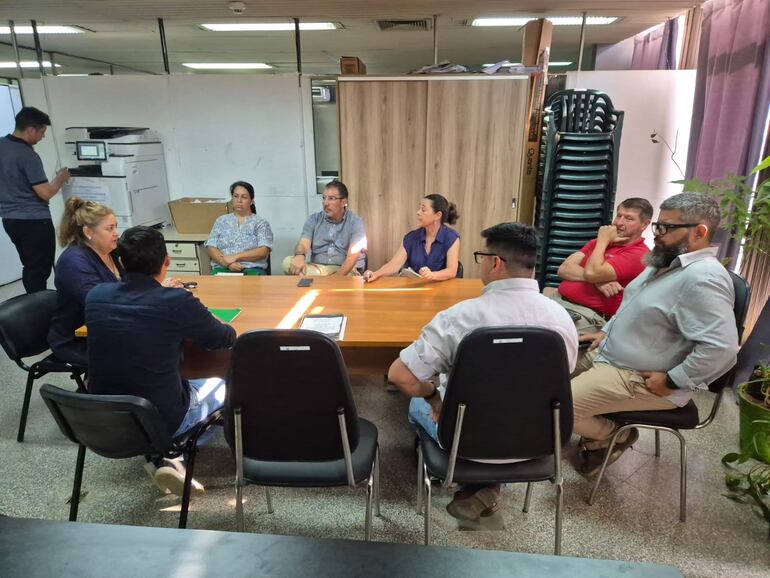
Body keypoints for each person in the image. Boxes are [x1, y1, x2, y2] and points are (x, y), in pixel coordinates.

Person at [387, 222, 578, 521]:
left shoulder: (460, 317)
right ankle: (487, 484)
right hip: (538, 440)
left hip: (465, 440)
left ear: (495, 262)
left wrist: (434, 395)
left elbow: (400, 376)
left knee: (416, 404)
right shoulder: (561, 318)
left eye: (482, 257)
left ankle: (473, 480)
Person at [571, 192, 739, 477]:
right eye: (658, 225)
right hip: (611, 355)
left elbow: (723, 348)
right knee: (546, 375)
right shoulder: (665, 262)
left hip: (640, 378)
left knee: (553, 407)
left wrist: (674, 380)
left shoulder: (704, 278)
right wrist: (607, 331)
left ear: (699, 232)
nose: (657, 233)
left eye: (667, 227)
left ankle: (615, 435)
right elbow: (632, 300)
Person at [85, 226, 236, 495]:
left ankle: (164, 458)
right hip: (160, 418)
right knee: (227, 384)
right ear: (166, 261)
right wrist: (206, 315)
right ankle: (173, 453)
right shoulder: (176, 302)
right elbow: (224, 338)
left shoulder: (96, 296)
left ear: (121, 262)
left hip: (102, 417)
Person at [548, 198, 652, 333]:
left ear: (644, 224)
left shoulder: (639, 254)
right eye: (619, 216)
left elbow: (592, 273)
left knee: (542, 333)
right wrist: (598, 281)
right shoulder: (598, 243)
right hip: (558, 300)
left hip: (589, 315)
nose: (619, 223)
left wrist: (603, 240)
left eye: (628, 219)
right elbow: (564, 269)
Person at [0, 107, 71, 293]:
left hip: (9, 219)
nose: (43, 137)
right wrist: (61, 178)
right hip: (34, 221)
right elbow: (45, 193)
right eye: (42, 132)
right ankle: (37, 304)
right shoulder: (27, 155)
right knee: (40, 269)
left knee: (30, 265)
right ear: (31, 130)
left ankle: (31, 301)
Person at [47, 198, 124, 366]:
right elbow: (99, 302)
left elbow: (129, 284)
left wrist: (154, 289)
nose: (116, 233)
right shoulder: (74, 261)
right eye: (110, 228)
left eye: (116, 226)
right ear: (88, 232)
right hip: (77, 339)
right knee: (148, 349)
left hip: (108, 327)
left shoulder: (110, 251)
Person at [363, 194, 460, 282]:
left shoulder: (451, 237)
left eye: (423, 210)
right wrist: (376, 274)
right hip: (415, 289)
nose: (418, 212)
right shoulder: (411, 237)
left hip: (442, 290)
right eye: (419, 209)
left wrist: (432, 275)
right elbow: (394, 264)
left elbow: (451, 271)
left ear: (437, 215)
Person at [282, 180, 366, 276]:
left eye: (331, 198)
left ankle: (320, 281)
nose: (325, 203)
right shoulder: (314, 219)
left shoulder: (355, 222)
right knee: (287, 262)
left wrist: (336, 279)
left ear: (343, 202)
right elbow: (303, 244)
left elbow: (352, 257)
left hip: (345, 270)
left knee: (349, 277)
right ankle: (321, 281)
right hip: (317, 269)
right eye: (324, 198)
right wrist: (300, 256)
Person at [205, 181, 273, 275]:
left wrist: (235, 257)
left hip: (251, 269)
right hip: (222, 269)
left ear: (252, 201)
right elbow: (211, 246)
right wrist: (226, 263)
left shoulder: (260, 223)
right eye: (236, 196)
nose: (239, 200)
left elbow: (263, 251)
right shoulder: (221, 220)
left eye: (244, 197)